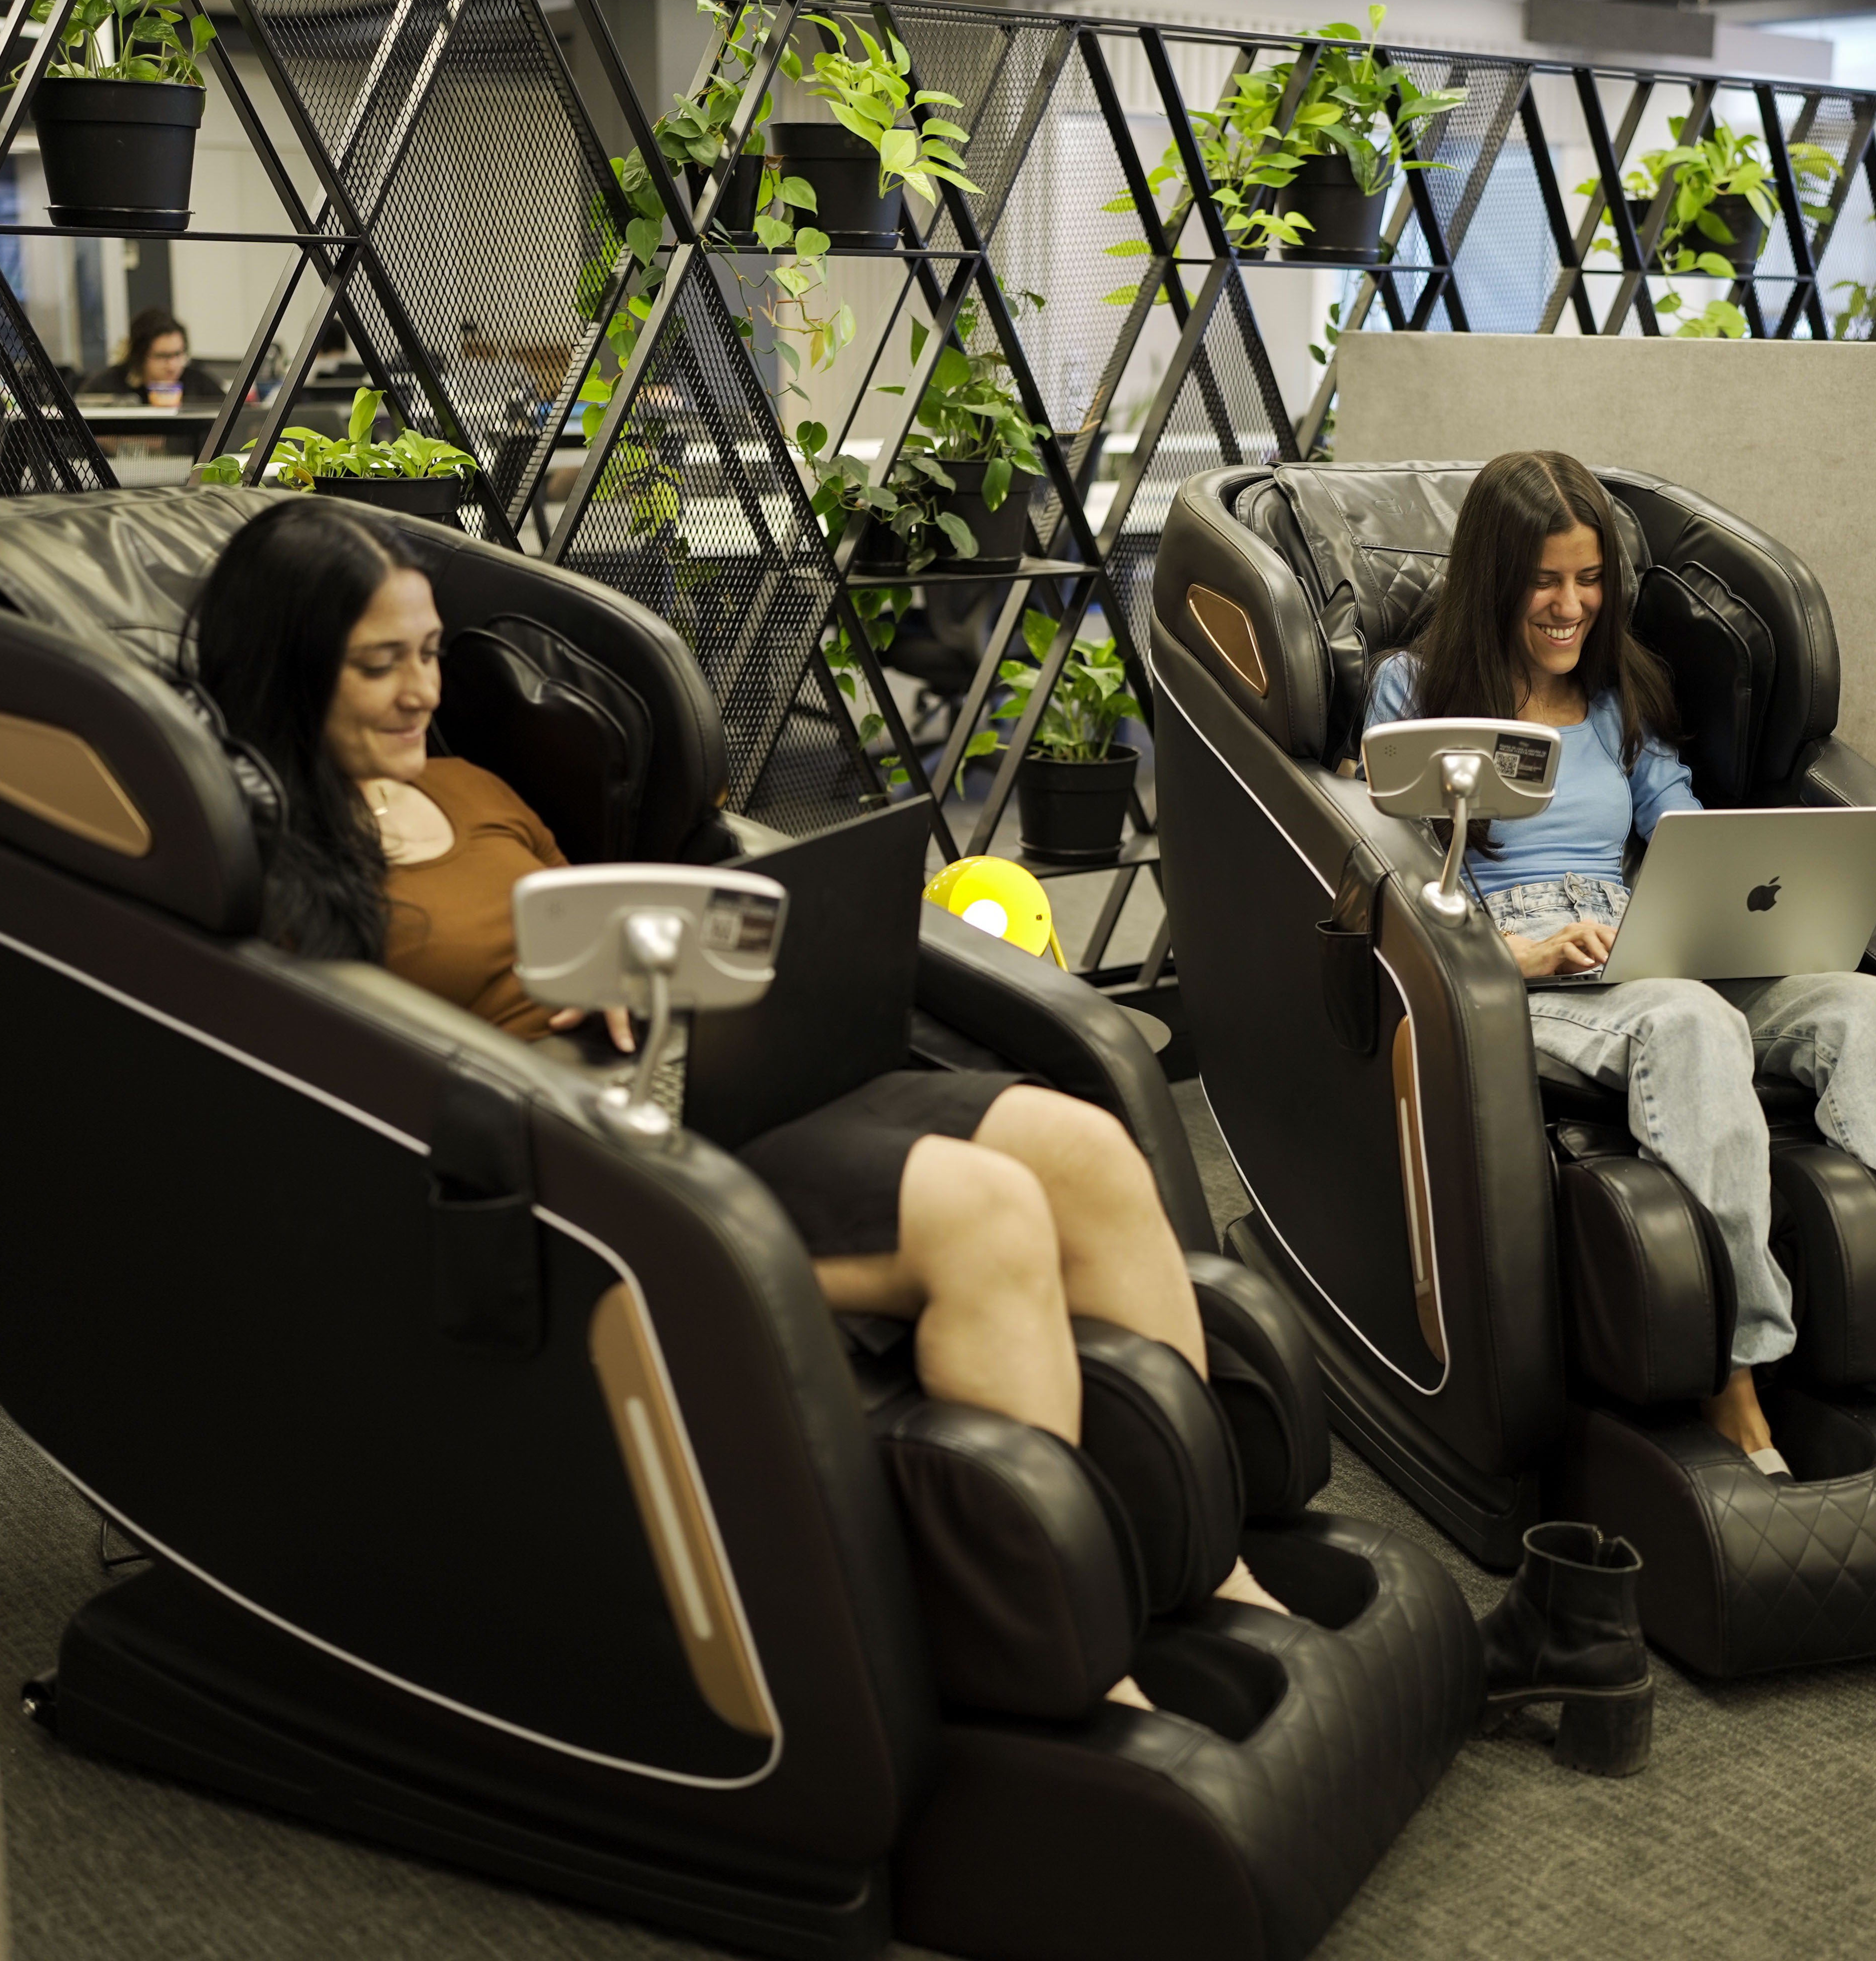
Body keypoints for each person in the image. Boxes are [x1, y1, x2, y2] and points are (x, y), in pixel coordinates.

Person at [191, 500, 1281, 1691]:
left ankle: (1212, 1572)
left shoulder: (465, 782)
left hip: (694, 1075)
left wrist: (634, 976)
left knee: (1085, 1147)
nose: (419, 689)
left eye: (430, 652)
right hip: (580, 1167)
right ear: (295, 672)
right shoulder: (280, 870)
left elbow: (592, 920)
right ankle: (1069, 1661)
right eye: (378, 663)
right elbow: (346, 1098)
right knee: (984, 1213)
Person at [1361, 451, 1876, 1476]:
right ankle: (1734, 1378)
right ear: (1494, 578)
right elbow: (1400, 872)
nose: (1572, 606)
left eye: (1589, 579)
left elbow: (1687, 830)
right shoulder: (1415, 687)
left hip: (1639, 937)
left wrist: (1726, 901)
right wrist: (1506, 953)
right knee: (1688, 1020)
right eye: (1545, 581)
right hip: (1519, 968)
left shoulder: (1619, 697)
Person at [90, 307, 226, 408]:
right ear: (140, 356)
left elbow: (236, 426)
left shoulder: (199, 384)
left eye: (178, 354)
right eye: (162, 357)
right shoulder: (107, 386)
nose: (173, 366)